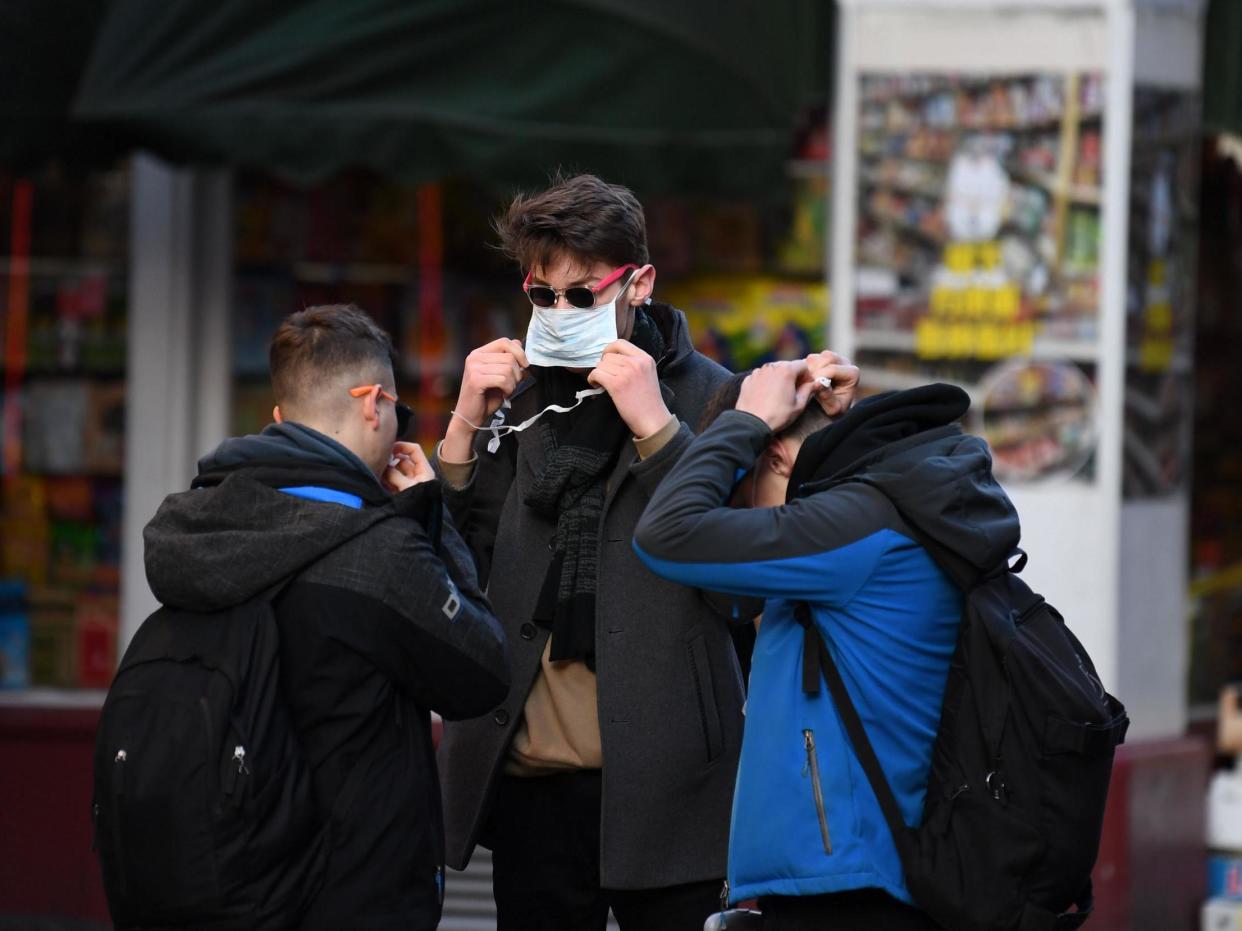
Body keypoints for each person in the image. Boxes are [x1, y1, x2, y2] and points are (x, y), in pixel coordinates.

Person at [432, 172, 861, 930]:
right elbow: (460, 564)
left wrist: (660, 432)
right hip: (531, 776)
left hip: (671, 786)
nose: (561, 314)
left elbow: (744, 586)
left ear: (641, 284)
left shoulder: (719, 398)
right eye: (542, 295)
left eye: (584, 294)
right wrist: (463, 430)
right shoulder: (520, 395)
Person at [142, 304, 510, 930]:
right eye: (396, 406)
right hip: (354, 889)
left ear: (281, 418)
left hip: (225, 879)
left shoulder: (193, 525)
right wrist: (432, 517)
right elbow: (483, 669)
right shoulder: (376, 552)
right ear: (373, 404)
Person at [633, 362, 1021, 931]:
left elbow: (666, 535)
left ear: (777, 459)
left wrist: (748, 417)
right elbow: (722, 593)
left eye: (741, 500)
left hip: (851, 888)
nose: (740, 521)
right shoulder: (875, 515)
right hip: (852, 875)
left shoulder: (852, 529)